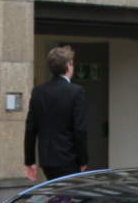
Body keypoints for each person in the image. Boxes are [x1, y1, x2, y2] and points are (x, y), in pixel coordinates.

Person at [24, 46, 89, 182]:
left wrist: (30, 161)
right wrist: (83, 159)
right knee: (69, 199)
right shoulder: (76, 91)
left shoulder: (38, 92)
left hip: (47, 159)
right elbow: (79, 128)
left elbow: (31, 128)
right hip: (69, 158)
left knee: (57, 199)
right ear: (68, 66)